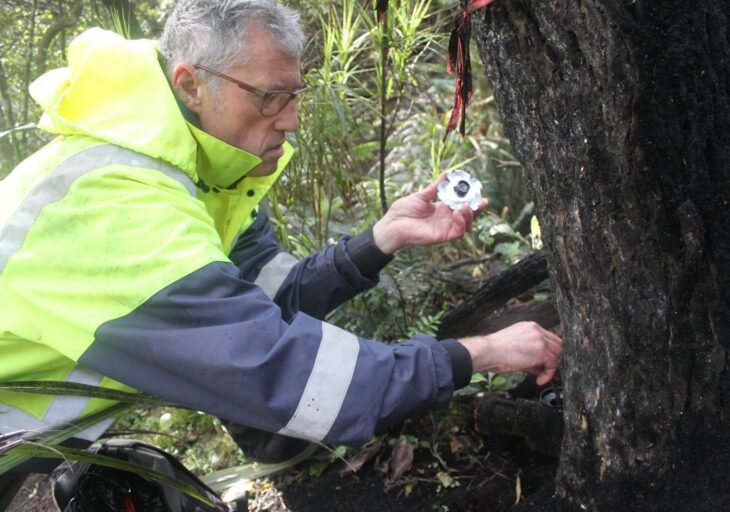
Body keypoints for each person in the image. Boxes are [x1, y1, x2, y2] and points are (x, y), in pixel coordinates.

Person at [0, 0, 562, 500]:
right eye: (270, 97)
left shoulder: (201, 173)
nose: (291, 120)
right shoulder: (116, 205)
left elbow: (271, 299)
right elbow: (281, 371)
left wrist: (383, 237)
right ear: (192, 84)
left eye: (295, 95)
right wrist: (480, 352)